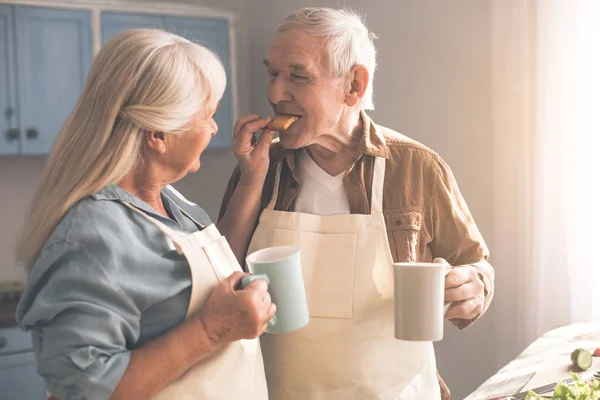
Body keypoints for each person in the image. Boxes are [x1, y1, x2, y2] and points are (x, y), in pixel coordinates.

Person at [219, 7, 495, 400]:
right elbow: (221, 278)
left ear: (353, 85)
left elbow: (478, 265)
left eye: (298, 76)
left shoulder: (416, 167)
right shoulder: (262, 166)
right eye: (273, 73)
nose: (274, 94)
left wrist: (472, 285)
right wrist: (250, 180)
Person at [15, 28, 277, 400]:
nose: (216, 128)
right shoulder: (91, 235)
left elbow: (215, 275)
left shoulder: (171, 201)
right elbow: (84, 390)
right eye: (209, 116)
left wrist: (251, 181)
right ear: (158, 133)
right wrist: (211, 328)